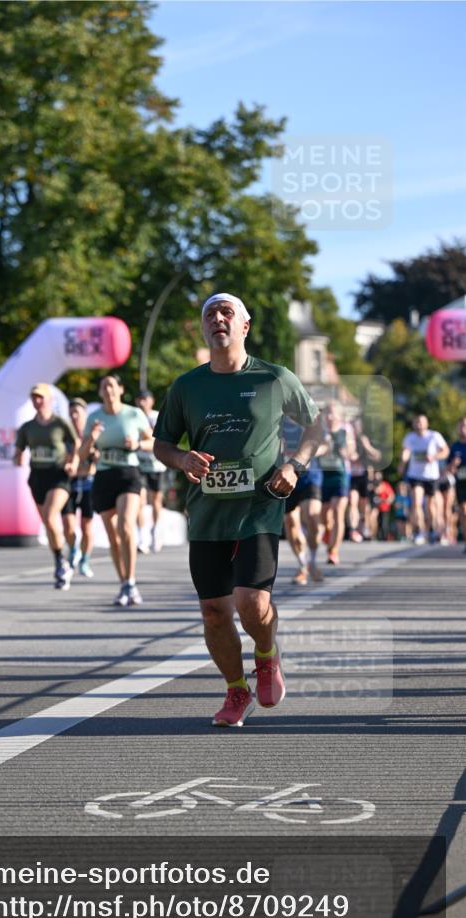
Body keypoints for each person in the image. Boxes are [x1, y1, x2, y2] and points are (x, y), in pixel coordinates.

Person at [154, 292, 323, 727]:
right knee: (213, 611)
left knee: (251, 601)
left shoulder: (274, 378)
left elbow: (316, 425)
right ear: (205, 328)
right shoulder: (187, 386)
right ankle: (235, 690)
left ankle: (266, 655)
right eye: (210, 313)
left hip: (259, 506)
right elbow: (162, 443)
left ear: (244, 326)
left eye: (227, 312)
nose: (218, 318)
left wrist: (295, 465)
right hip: (208, 514)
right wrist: (182, 459)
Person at [80, 374, 153, 606]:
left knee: (125, 525)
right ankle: (124, 584)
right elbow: (81, 455)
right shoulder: (94, 417)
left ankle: (131, 581)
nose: (108, 390)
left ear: (120, 389)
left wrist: (138, 445)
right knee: (112, 535)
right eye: (104, 386)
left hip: (128, 475)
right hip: (103, 477)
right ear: (100, 392)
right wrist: (91, 439)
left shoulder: (133, 414)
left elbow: (153, 442)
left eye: (112, 385)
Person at [13, 384, 78, 590]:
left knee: (51, 517)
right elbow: (19, 449)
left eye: (41, 397)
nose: (37, 401)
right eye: (34, 398)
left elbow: (76, 444)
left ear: (49, 400)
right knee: (49, 524)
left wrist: (73, 462)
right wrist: (18, 457)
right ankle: (60, 558)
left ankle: (61, 562)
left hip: (58, 475)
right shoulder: (27, 427)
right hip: (37, 476)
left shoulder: (60, 423)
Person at [281, 416, 324, 585]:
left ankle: (312, 561)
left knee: (312, 516)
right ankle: (302, 565)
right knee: (291, 523)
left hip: (310, 477)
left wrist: (307, 452)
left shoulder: (311, 417)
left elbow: (326, 443)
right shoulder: (278, 421)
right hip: (285, 475)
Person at [398, 414, 449, 545]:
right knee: (416, 502)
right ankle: (420, 531)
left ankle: (431, 529)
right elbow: (406, 451)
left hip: (431, 475)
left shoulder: (434, 436)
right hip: (415, 475)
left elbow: (445, 451)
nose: (419, 424)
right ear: (414, 424)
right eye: (417, 422)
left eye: (421, 422)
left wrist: (434, 456)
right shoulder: (410, 438)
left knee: (430, 505)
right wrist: (403, 462)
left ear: (426, 424)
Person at [318, 402, 357, 565]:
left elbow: (352, 452)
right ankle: (328, 533)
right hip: (322, 474)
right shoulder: (319, 429)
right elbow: (313, 450)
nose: (330, 417)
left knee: (338, 511)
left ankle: (334, 551)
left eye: (333, 413)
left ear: (340, 416)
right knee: (324, 515)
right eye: (327, 413)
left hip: (340, 474)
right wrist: (322, 447)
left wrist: (344, 451)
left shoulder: (346, 429)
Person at [61, 397, 96, 578]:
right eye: (71, 413)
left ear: (84, 414)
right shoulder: (64, 435)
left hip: (89, 483)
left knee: (87, 526)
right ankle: (73, 550)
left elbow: (98, 457)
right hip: (69, 483)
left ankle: (84, 560)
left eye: (78, 413)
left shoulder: (93, 433)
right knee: (68, 526)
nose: (74, 417)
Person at [135, 389, 167, 554]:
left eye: (145, 399)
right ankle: (142, 537)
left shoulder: (157, 417)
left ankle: (156, 532)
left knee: (155, 501)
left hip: (157, 465)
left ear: (151, 401)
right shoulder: (134, 417)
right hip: (139, 464)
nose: (142, 403)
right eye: (139, 399)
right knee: (139, 501)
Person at [447, 416, 466, 553]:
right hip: (461, 483)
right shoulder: (455, 446)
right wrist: (453, 464)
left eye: (465, 425)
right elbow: (449, 469)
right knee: (464, 512)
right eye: (461, 426)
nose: (463, 428)